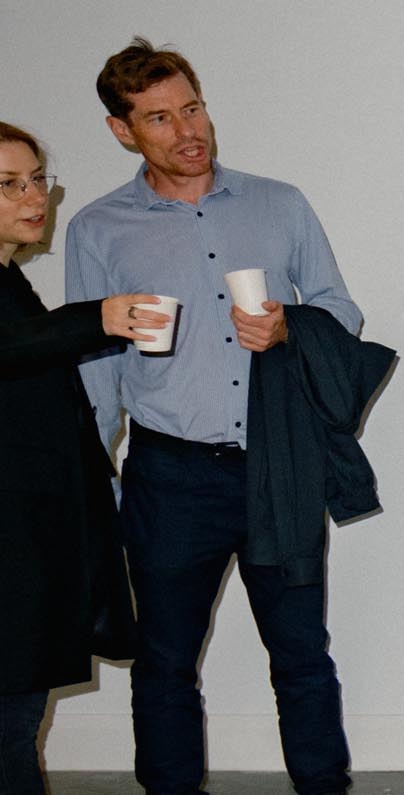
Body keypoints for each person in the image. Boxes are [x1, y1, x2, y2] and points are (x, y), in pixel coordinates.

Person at [65, 39, 364, 794]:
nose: (186, 130)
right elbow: (94, 363)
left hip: (277, 466)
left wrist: (290, 325)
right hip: (170, 476)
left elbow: (343, 311)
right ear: (122, 130)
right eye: (159, 118)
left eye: (192, 107)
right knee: (164, 663)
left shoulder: (279, 202)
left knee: (302, 654)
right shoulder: (99, 229)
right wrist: (97, 483)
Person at [0, 123, 157, 795]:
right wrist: (98, 318)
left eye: (37, 178)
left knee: (16, 715)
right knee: (9, 721)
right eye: (9, 185)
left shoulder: (8, 281)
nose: (34, 196)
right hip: (8, 547)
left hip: (26, 540)